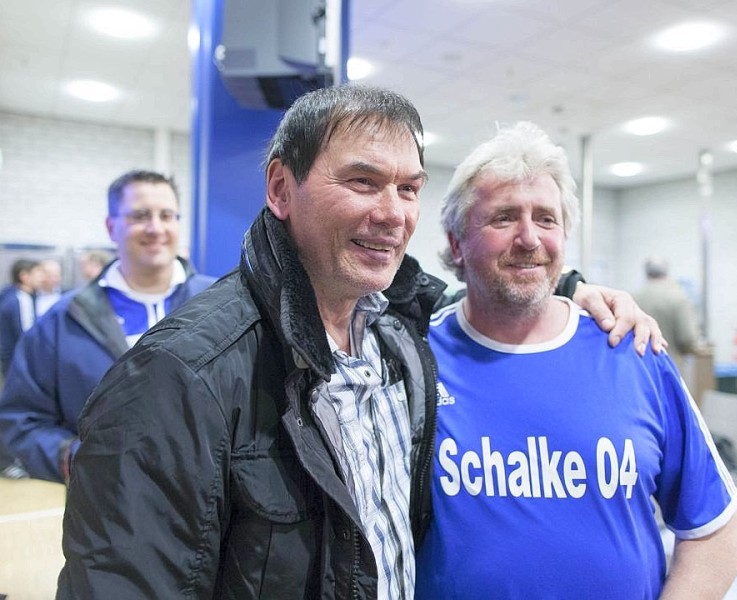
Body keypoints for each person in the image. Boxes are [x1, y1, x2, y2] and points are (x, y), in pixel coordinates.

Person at [56, 86, 661, 598]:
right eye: (364, 181)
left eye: (409, 188)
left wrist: (571, 290)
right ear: (280, 189)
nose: (393, 213)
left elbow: (483, 292)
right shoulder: (179, 376)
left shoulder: (394, 332)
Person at [414, 122, 737, 599]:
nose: (529, 238)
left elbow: (715, 525)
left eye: (546, 219)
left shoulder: (631, 350)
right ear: (455, 241)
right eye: (504, 217)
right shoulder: (413, 357)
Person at [0, 170, 216, 483]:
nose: (156, 228)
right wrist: (75, 459)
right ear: (111, 226)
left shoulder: (220, 303)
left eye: (167, 215)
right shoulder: (64, 320)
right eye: (140, 216)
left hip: (210, 504)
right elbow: (20, 419)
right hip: (108, 511)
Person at [633, 255, 699, 378]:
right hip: (670, 369)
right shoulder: (678, 298)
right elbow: (687, 339)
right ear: (666, 272)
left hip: (640, 369)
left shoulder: (633, 298)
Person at [0, 258, 41, 377]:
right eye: (37, 274)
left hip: (10, 359)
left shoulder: (10, 294)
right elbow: (27, 334)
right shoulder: (22, 299)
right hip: (16, 361)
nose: (41, 278)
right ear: (24, 276)